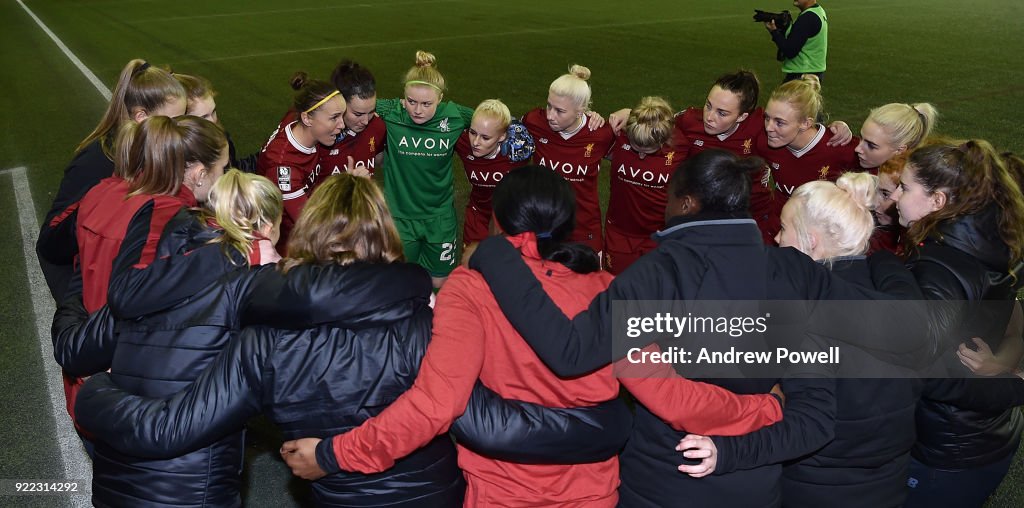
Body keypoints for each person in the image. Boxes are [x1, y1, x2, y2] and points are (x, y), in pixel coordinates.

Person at [276, 165, 785, 507]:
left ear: (496, 218)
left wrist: (334, 455)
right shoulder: (606, 288)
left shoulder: (470, 288)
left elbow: (436, 403)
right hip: (592, 491)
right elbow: (670, 395)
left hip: (499, 491)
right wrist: (767, 408)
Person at [461, 148, 929, 506]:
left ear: (685, 203)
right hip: (753, 488)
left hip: (662, 481)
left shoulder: (661, 272)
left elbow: (570, 351)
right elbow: (820, 416)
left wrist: (498, 255)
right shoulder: (793, 273)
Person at [76, 174, 466, 507]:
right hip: (435, 493)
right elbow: (473, 420)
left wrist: (96, 392)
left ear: (307, 231)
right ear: (386, 234)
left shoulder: (264, 341)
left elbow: (169, 428)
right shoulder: (431, 323)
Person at [679, 172, 924, 508]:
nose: (776, 238)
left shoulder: (802, 316)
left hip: (817, 486)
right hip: (889, 481)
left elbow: (807, 425)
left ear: (811, 242)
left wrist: (727, 452)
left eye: (783, 228)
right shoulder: (893, 285)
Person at [54, 171, 281, 507]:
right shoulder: (259, 286)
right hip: (192, 487)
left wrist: (74, 297)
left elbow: (75, 350)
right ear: (266, 228)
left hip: (115, 482)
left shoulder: (150, 276)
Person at [55, 115, 227, 454]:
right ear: (199, 173)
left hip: (91, 379)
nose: (224, 180)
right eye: (222, 170)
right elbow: (144, 307)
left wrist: (76, 341)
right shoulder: (168, 219)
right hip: (131, 391)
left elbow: (80, 278)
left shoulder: (103, 192)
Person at [891, 140, 1024, 508]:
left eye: (904, 188)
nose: (895, 198)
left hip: (947, 451)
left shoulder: (940, 266)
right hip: (985, 434)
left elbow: (923, 365)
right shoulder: (988, 237)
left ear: (938, 202)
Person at [37, 59, 186, 301]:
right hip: (90, 297)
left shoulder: (158, 151)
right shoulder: (97, 162)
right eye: (176, 121)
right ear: (141, 117)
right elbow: (49, 245)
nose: (183, 129)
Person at [377, 50, 475, 288]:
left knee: (439, 283)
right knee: (398, 282)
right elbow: (349, 107)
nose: (417, 110)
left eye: (426, 103)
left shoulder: (455, 116)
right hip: (398, 218)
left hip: (439, 220)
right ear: (403, 97)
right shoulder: (391, 112)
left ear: (440, 99)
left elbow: (495, 121)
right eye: (411, 101)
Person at [522, 64, 616, 254]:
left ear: (581, 111)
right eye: (549, 105)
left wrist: (627, 113)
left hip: (584, 230)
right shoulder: (534, 122)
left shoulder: (600, 133)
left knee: (590, 284)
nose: (550, 115)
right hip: (542, 228)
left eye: (560, 111)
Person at [756, 75, 859, 243]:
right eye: (767, 118)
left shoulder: (838, 147)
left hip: (819, 241)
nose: (769, 128)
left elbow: (878, 164)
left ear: (805, 123)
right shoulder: (765, 140)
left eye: (779, 122)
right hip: (777, 231)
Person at [257, 72, 344, 254]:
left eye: (342, 116)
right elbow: (312, 225)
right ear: (307, 118)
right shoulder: (284, 168)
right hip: (289, 249)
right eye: (334, 117)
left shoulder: (297, 118)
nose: (342, 124)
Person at [604, 96, 686, 274]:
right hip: (619, 234)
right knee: (617, 290)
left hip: (658, 236)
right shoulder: (618, 134)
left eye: (647, 150)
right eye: (635, 148)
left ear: (664, 139)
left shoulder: (681, 147)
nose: (640, 156)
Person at [852, 103, 938, 254]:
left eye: (871, 145)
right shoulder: (868, 163)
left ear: (900, 150)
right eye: (861, 138)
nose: (857, 148)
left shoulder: (908, 195)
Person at [455, 99, 533, 245]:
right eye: (473, 132)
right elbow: (442, 113)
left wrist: (588, 116)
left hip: (510, 218)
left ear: (502, 136)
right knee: (471, 264)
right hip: (477, 217)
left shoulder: (519, 151)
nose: (476, 142)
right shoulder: (463, 143)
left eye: (485, 137)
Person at [174, 72, 258, 173]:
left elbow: (231, 171)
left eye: (213, 112)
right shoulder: (178, 159)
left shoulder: (220, 136)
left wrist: (268, 155)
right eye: (204, 117)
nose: (213, 120)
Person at [764, 0, 828, 83]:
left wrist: (774, 32)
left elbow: (790, 50)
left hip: (802, 75)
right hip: (812, 72)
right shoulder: (818, 11)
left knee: (782, 96)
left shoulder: (808, 17)